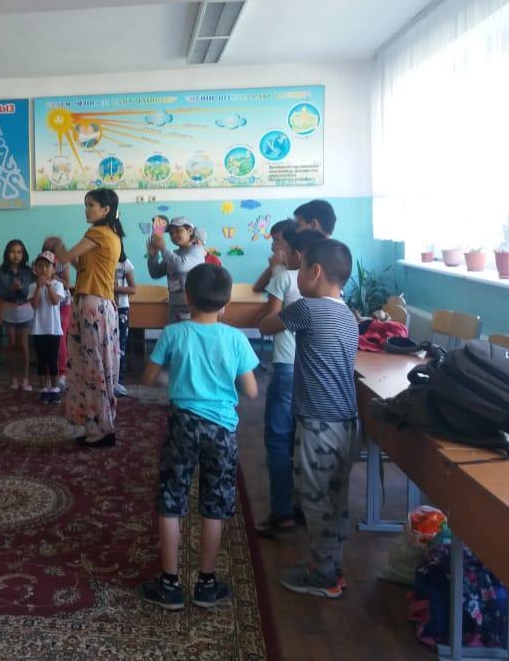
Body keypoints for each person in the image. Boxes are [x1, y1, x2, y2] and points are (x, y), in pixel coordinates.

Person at [138, 264, 259, 610]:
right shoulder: (236, 339)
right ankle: (206, 584)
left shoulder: (173, 333)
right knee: (214, 505)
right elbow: (251, 390)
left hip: (183, 426)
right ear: (227, 304)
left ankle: (169, 584)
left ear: (187, 298)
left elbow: (148, 378)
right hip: (222, 430)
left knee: (171, 501)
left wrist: (171, 379)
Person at [260, 238, 358, 599]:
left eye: (299, 268)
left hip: (318, 423)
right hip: (347, 422)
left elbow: (267, 326)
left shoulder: (307, 308)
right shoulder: (349, 316)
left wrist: (277, 276)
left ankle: (323, 576)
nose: (296, 274)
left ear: (314, 272)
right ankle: (331, 565)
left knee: (313, 497)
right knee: (335, 497)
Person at [50, 188, 123, 447]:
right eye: (86, 204)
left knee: (93, 367)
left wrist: (57, 245)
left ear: (106, 209)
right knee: (93, 365)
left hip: (93, 305)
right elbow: (80, 266)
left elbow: (64, 258)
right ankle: (96, 423)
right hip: (97, 304)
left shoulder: (98, 233)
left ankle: (101, 427)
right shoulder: (110, 235)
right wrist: (64, 252)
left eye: (91, 205)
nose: (87, 209)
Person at [252, 220, 304, 537]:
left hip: (286, 364)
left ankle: (282, 512)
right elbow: (258, 286)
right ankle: (303, 506)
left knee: (278, 439)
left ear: (293, 250)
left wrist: (269, 320)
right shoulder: (323, 281)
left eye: (279, 243)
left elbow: (268, 321)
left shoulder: (286, 277)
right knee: (301, 439)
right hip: (309, 368)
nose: (274, 247)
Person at [0, 239, 35, 391]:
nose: (16, 255)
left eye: (19, 252)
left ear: (23, 254)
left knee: (23, 344)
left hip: (25, 310)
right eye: (12, 252)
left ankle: (25, 379)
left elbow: (30, 291)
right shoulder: (1, 271)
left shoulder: (28, 271)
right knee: (11, 344)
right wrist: (12, 289)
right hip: (9, 310)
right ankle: (13, 379)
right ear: (7, 254)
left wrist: (21, 288)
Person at [147, 217, 204, 323]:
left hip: (191, 306)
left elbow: (180, 265)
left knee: (186, 333)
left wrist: (163, 248)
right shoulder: (174, 254)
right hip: (174, 304)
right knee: (173, 333)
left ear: (190, 231)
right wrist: (153, 255)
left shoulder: (197, 250)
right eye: (171, 233)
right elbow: (155, 273)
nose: (174, 235)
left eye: (178, 231)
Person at [28, 251, 66, 404]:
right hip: (38, 330)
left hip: (53, 330)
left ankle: (55, 390)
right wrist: (39, 287)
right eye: (40, 266)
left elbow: (55, 301)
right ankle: (44, 389)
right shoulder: (32, 286)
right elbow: (34, 304)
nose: (43, 269)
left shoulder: (58, 285)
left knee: (52, 360)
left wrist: (49, 285)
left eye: (47, 266)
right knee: (41, 361)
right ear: (35, 269)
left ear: (53, 269)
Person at [43, 236, 72, 390]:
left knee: (60, 340)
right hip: (47, 306)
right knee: (47, 339)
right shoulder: (42, 263)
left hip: (63, 305)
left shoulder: (64, 264)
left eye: (53, 250)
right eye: (47, 250)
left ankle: (62, 373)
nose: (50, 253)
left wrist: (54, 277)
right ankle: (49, 374)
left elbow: (67, 284)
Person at [113, 248, 137, 396]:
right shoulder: (101, 260)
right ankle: (106, 381)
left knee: (120, 344)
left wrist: (115, 288)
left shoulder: (124, 263)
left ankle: (119, 381)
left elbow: (133, 289)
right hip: (104, 306)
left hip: (121, 307)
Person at [252, 219, 297, 294]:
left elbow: (282, 294)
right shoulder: (279, 263)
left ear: (291, 243)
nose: (272, 244)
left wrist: (276, 268)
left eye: (276, 240)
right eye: (273, 240)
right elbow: (258, 288)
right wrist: (273, 266)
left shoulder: (299, 268)